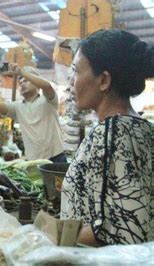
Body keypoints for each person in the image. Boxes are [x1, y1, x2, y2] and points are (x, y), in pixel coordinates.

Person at [61, 29, 153, 246]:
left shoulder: (110, 136)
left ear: (103, 80)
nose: (71, 82)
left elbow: (117, 232)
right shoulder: (143, 129)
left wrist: (48, 236)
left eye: (76, 71)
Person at [0, 64, 66, 162]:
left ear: (36, 83)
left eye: (26, 80)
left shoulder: (48, 100)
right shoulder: (17, 107)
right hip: (33, 161)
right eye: (20, 82)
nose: (22, 83)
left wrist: (22, 72)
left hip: (56, 157)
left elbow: (47, 86)